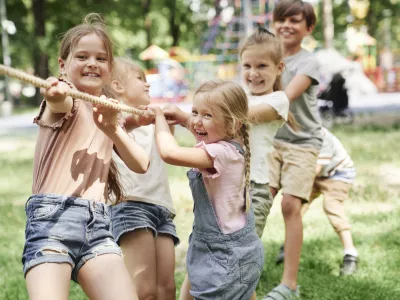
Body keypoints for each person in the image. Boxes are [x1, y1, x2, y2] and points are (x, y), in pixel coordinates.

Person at [22, 14, 149, 300]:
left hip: (98, 227)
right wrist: (54, 91)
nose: (92, 63)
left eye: (101, 58)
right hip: (52, 223)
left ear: (110, 68)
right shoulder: (66, 103)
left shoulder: (107, 112)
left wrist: (113, 129)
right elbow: (58, 100)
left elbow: (141, 164)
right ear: (63, 65)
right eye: (82, 56)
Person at [151, 80, 264, 299]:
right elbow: (205, 127)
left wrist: (158, 119)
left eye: (207, 115)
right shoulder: (234, 140)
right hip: (219, 246)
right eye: (195, 112)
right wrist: (186, 118)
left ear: (233, 124)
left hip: (225, 255)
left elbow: (169, 153)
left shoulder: (220, 153)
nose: (197, 121)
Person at [104, 57, 179, 300]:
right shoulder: (111, 120)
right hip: (131, 205)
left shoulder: (153, 119)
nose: (147, 85)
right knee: (144, 291)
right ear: (117, 86)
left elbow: (169, 152)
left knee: (166, 288)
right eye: (140, 79)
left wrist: (168, 124)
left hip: (162, 207)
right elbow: (121, 129)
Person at [265, 0, 323, 299]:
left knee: (290, 204)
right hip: (272, 140)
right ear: (274, 23)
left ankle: (289, 284)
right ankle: (242, 265)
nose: (287, 25)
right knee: (259, 198)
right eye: (281, 19)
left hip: (302, 143)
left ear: (308, 28)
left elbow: (284, 98)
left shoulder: (308, 62)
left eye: (295, 21)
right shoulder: (267, 57)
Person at [277, 128, 358, 275]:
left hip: (338, 173)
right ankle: (289, 246)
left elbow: (314, 169)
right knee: (296, 206)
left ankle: (350, 254)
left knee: (332, 207)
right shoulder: (296, 134)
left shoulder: (321, 137)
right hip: (315, 174)